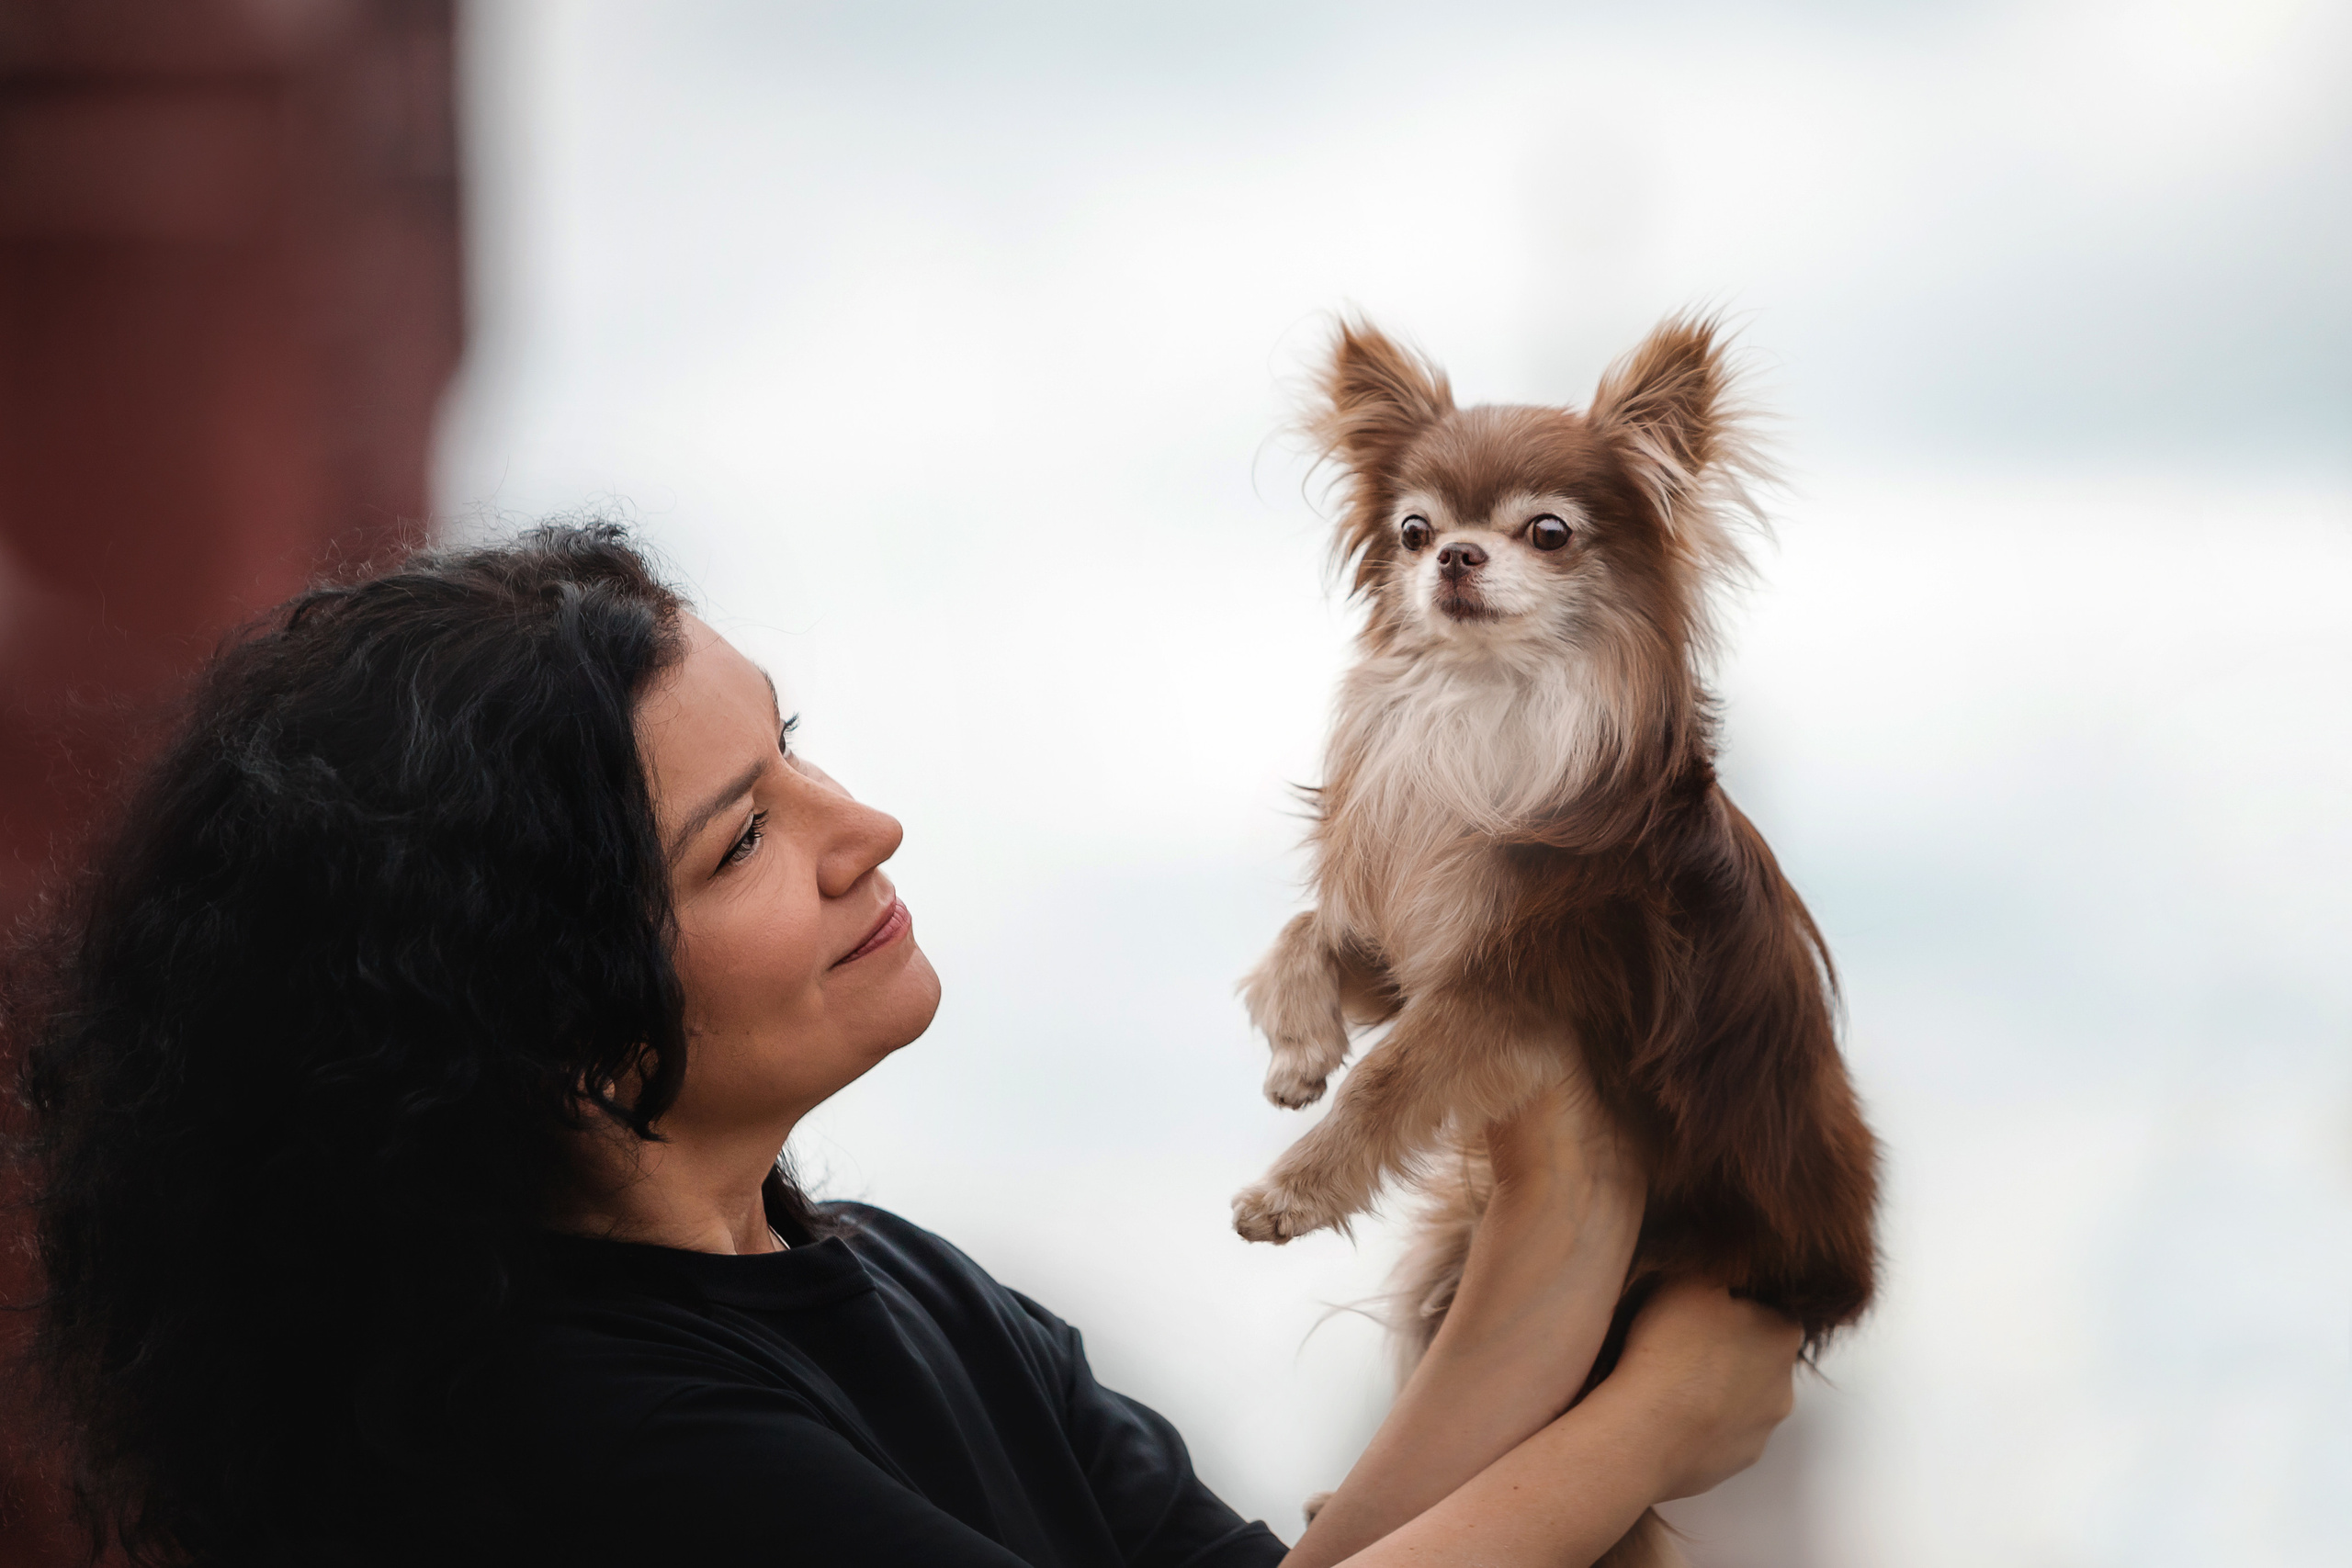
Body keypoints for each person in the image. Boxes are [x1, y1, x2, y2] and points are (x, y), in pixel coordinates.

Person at [9, 524, 1803, 1566]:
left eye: (791, 745)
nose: (862, 825)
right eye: (739, 839)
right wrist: (1640, 1430)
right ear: (551, 1025)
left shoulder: (901, 1287)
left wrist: (1558, 1203)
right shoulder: (576, 1431)